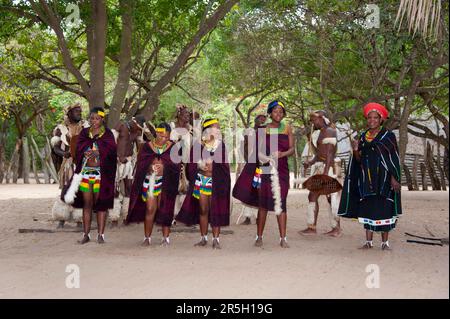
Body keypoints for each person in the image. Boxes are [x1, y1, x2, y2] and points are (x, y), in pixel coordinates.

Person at [338, 103, 402, 250]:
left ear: (381, 119)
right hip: (366, 179)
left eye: (375, 117)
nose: (372, 120)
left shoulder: (388, 136)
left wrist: (394, 178)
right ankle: (368, 242)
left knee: (384, 207)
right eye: (369, 117)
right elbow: (359, 159)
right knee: (368, 208)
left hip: (384, 179)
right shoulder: (362, 136)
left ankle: (385, 243)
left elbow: (393, 159)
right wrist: (355, 149)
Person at [176, 118, 231, 249]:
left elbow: (225, 165)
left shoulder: (221, 145)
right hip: (201, 181)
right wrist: (200, 167)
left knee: (215, 209)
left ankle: (216, 239)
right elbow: (191, 165)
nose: (218, 130)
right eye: (215, 127)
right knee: (203, 209)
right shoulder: (198, 146)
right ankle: (203, 238)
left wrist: (214, 165)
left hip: (216, 182)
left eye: (219, 127)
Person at [65, 107, 117, 244]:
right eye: (92, 118)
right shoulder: (84, 133)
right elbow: (78, 149)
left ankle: (101, 235)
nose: (94, 121)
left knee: (100, 204)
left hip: (101, 174)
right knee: (87, 204)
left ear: (102, 119)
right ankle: (86, 235)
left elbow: (112, 151)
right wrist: (85, 153)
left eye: (97, 118)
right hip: (86, 173)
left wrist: (98, 152)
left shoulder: (107, 134)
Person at [125, 123, 181, 246]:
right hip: (150, 181)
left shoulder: (173, 147)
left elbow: (176, 167)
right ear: (156, 133)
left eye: (166, 137)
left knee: (165, 209)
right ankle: (147, 238)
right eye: (161, 136)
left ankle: (166, 238)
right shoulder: (146, 147)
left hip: (166, 182)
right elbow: (141, 165)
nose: (164, 139)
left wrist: (164, 167)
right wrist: (150, 168)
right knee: (150, 209)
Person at [254, 100, 294, 248]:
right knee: (263, 204)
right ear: (270, 113)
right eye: (275, 111)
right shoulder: (263, 130)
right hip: (266, 169)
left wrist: (282, 154)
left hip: (282, 169)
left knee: (281, 202)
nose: (278, 114)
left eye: (281, 111)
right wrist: (268, 157)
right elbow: (258, 154)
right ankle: (259, 236)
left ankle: (283, 238)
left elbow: (292, 149)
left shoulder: (287, 128)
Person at [300, 110, 342, 237]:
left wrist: (325, 174)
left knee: (331, 199)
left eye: (314, 120)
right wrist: (310, 162)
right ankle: (312, 227)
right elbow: (319, 154)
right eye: (312, 120)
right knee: (312, 196)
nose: (313, 122)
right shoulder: (321, 132)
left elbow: (329, 154)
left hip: (328, 169)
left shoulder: (330, 131)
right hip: (322, 167)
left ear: (322, 118)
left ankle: (336, 228)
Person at [50, 102, 89, 228]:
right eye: (76, 111)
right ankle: (62, 219)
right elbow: (55, 148)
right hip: (68, 165)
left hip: (83, 164)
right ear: (69, 113)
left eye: (80, 111)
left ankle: (79, 220)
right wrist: (64, 153)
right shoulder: (60, 129)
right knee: (66, 189)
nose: (79, 113)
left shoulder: (86, 127)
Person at [111, 115, 147, 226]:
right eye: (138, 128)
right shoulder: (120, 125)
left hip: (128, 163)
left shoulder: (136, 132)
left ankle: (127, 216)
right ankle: (114, 218)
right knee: (115, 190)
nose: (138, 130)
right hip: (117, 161)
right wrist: (117, 156)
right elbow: (111, 143)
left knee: (129, 189)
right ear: (134, 123)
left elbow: (141, 146)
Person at [233, 113, 267, 225]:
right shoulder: (249, 132)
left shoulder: (267, 133)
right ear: (255, 120)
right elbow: (243, 147)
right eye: (260, 119)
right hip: (250, 164)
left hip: (262, 165)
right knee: (247, 188)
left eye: (264, 119)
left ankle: (258, 216)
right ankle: (247, 217)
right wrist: (248, 160)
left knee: (259, 189)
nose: (262, 121)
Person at [169, 104, 193, 225]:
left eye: (189, 114)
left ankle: (185, 215)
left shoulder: (191, 129)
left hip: (188, 163)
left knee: (187, 189)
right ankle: (174, 215)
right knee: (176, 189)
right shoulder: (173, 127)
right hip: (175, 162)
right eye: (185, 114)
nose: (187, 116)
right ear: (179, 115)